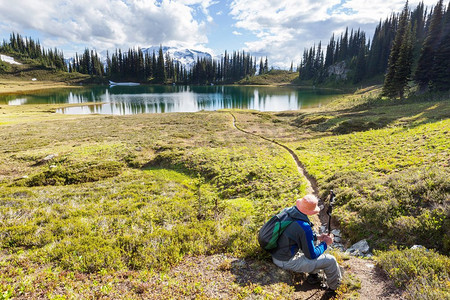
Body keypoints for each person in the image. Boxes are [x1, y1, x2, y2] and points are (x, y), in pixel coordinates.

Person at [271, 194, 342, 293]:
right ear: (311, 212)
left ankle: (313, 276)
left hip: (278, 254)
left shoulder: (288, 212)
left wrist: (318, 237)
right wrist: (325, 243)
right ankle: (334, 289)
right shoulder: (304, 227)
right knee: (330, 260)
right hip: (286, 261)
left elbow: (296, 234)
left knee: (314, 241)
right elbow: (311, 255)